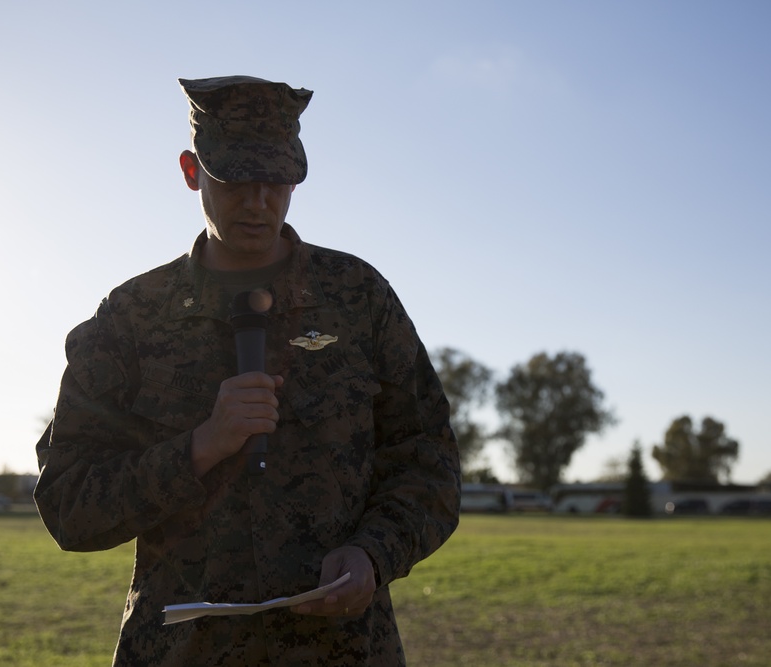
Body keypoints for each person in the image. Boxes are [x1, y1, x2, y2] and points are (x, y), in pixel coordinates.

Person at [34, 75, 461, 666]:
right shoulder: (131, 318)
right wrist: (200, 448)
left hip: (343, 651)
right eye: (236, 180)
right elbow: (69, 504)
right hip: (181, 652)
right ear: (192, 171)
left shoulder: (358, 297)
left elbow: (429, 462)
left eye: (278, 180)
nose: (259, 202)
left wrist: (373, 553)